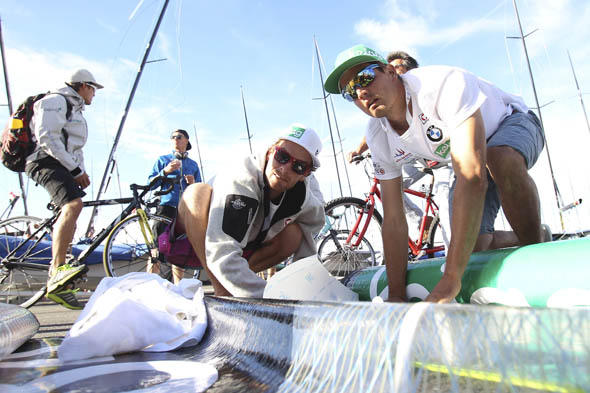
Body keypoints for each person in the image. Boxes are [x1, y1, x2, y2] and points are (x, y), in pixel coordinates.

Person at [325, 44, 547, 303]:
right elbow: (394, 219)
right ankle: (539, 231)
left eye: (364, 78)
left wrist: (451, 278)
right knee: (470, 245)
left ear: (390, 71)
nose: (361, 92)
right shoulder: (377, 134)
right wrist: (396, 298)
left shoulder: (441, 85)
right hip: (466, 157)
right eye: (349, 91)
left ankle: (537, 253)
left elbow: (471, 176)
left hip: (511, 123)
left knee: (500, 158)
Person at [175, 124, 325, 297]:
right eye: (282, 156)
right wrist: (272, 297)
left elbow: (316, 222)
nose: (284, 169)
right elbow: (221, 254)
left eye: (298, 167)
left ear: (305, 174)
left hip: (242, 249)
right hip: (190, 245)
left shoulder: (303, 197)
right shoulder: (242, 177)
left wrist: (305, 289)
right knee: (196, 193)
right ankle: (223, 290)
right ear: (270, 152)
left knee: (294, 234)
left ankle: (236, 281)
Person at [347, 50, 453, 245]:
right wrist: (358, 151)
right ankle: (423, 223)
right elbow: (377, 129)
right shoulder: (381, 115)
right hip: (418, 159)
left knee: (446, 195)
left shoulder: (425, 93)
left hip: (442, 157)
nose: (395, 72)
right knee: (393, 189)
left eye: (398, 69)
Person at [24, 69, 103, 309]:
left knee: (72, 210)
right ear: (82, 85)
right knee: (73, 205)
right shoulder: (55, 101)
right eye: (93, 88)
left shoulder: (74, 107)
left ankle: (59, 278)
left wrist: (78, 171)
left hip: (62, 165)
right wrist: (76, 171)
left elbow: (72, 146)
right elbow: (47, 137)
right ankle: (57, 271)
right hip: (43, 161)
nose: (94, 94)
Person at [148, 129, 202, 283]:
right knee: (156, 251)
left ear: (186, 141)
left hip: (184, 211)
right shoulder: (163, 160)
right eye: (172, 137)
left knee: (179, 250)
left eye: (179, 137)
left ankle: (178, 289)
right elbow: (150, 184)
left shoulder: (193, 165)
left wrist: (193, 184)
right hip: (165, 208)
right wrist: (165, 171)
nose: (175, 140)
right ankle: (150, 286)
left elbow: (200, 191)